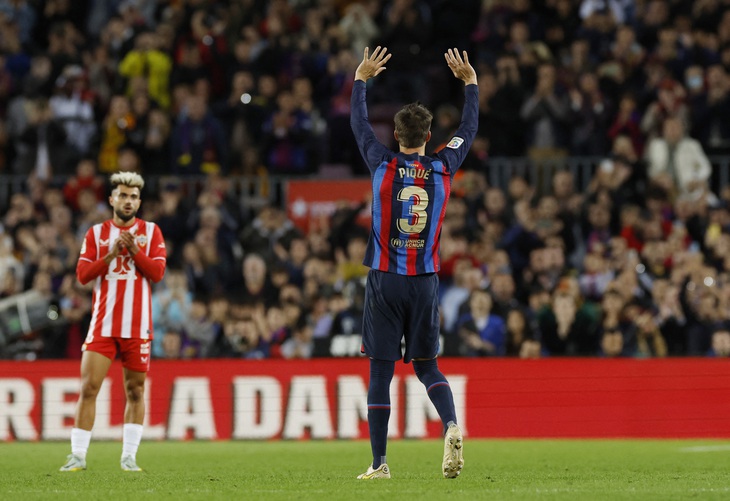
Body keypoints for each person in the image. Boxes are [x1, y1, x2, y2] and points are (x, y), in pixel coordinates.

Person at [350, 46, 477, 480]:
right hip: (424, 281)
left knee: (380, 372)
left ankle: (380, 463)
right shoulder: (443, 166)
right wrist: (471, 85)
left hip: (386, 280)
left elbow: (359, 125)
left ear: (396, 135)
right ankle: (451, 424)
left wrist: (361, 79)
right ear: (427, 137)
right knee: (427, 366)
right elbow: (469, 129)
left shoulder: (380, 162)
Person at [59, 172, 167, 473]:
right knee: (89, 387)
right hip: (103, 324)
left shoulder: (152, 232)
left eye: (133, 197)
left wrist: (134, 251)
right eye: (123, 195)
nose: (128, 201)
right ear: (112, 199)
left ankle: (129, 457)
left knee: (135, 391)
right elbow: (82, 276)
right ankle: (78, 456)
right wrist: (109, 256)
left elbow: (157, 274)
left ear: (139, 201)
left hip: (138, 326)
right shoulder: (95, 234)